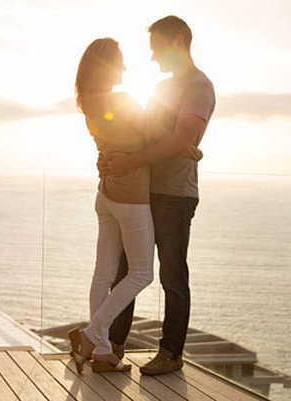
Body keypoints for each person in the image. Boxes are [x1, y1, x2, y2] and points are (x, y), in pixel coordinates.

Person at [68, 37, 202, 374]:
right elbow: (154, 133)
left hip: (106, 194)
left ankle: (103, 353)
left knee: (104, 274)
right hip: (131, 196)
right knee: (140, 273)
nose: (126, 67)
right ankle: (93, 335)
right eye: (121, 61)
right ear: (108, 65)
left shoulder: (88, 101)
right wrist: (187, 148)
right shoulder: (122, 100)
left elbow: (120, 141)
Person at [105, 15, 216, 376]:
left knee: (172, 276)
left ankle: (170, 354)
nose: (152, 58)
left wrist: (138, 158)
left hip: (174, 195)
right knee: (127, 272)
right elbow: (146, 133)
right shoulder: (162, 88)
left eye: (156, 50)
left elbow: (178, 139)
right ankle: (113, 347)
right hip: (143, 192)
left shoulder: (199, 86)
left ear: (178, 42)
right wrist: (114, 154)